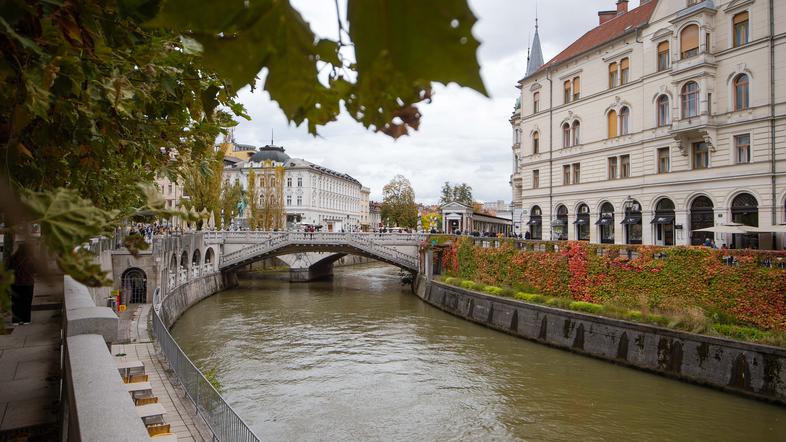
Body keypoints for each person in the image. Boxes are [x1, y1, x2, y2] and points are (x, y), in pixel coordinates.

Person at [9, 243, 35, 325]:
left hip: (15, 283)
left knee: (16, 302)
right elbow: (35, 270)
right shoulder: (31, 259)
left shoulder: (13, 258)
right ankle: (26, 319)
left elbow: (8, 269)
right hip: (28, 283)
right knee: (27, 302)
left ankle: (16, 320)